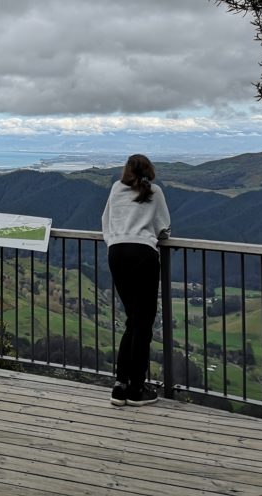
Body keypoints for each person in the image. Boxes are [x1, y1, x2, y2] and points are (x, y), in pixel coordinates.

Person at [101, 153, 170, 407]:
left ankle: (120, 386)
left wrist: (114, 241)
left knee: (133, 319)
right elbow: (164, 227)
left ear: (126, 170)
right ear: (149, 170)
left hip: (116, 253)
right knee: (143, 323)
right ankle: (136, 388)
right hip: (143, 254)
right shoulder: (155, 191)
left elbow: (105, 222)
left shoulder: (116, 189)